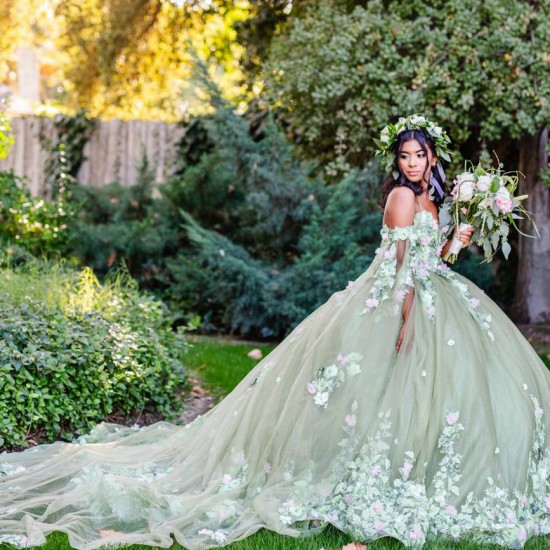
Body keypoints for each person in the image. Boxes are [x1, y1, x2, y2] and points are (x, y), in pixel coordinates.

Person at [1, 115, 549, 550]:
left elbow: (437, 264)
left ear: (432, 157)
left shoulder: (434, 198)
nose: (411, 163)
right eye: (404, 155)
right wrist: (405, 319)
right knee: (385, 393)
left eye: (419, 154)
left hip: (436, 299)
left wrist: (461, 237)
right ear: (396, 161)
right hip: (397, 302)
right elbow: (399, 268)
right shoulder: (403, 199)